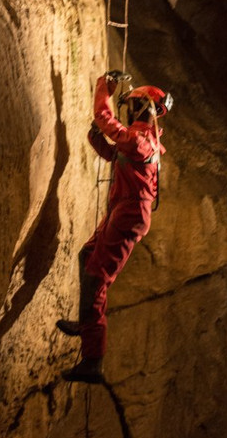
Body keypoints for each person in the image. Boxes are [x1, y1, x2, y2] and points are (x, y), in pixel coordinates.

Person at [58, 70, 172, 384]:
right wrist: (97, 140)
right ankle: (86, 322)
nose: (128, 110)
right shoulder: (143, 142)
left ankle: (93, 359)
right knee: (88, 256)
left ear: (142, 110)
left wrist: (103, 87)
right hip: (122, 210)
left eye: (132, 106)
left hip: (128, 215)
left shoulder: (138, 139)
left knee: (97, 277)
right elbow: (114, 155)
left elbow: (104, 117)